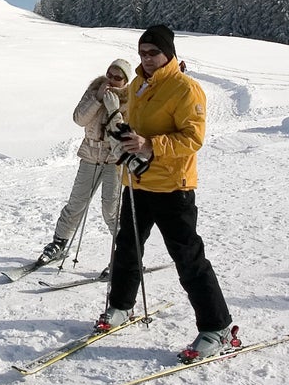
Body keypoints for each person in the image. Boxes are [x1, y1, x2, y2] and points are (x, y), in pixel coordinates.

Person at [95, 24, 235, 363]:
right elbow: (134, 124)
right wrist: (125, 137)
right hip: (137, 181)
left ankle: (218, 328)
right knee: (127, 247)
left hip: (173, 185)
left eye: (153, 53)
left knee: (188, 258)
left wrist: (149, 145)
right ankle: (121, 306)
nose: (146, 59)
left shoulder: (186, 89)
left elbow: (193, 139)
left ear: (168, 52)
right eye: (142, 53)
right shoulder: (139, 85)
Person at [40, 58, 134, 276]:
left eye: (117, 77)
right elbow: (79, 118)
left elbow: (122, 133)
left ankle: (124, 255)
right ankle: (59, 243)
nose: (111, 80)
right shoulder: (95, 90)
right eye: (109, 74)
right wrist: (97, 99)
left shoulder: (130, 100)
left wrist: (113, 109)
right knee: (76, 203)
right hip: (90, 154)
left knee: (111, 211)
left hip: (114, 159)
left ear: (125, 81)